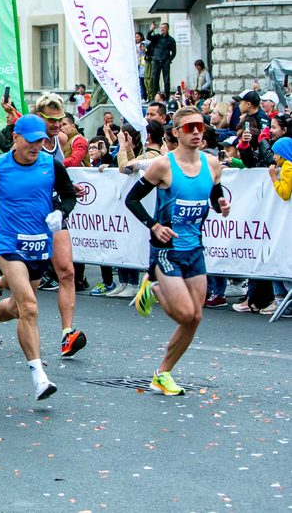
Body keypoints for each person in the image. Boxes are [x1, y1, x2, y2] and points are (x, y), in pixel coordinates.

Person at [0, 115, 79, 401]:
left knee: (15, 308)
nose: (37, 145)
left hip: (39, 245)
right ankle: (39, 376)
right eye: (31, 139)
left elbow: (68, 194)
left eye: (41, 140)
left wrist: (61, 211)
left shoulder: (51, 165)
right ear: (16, 138)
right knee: (29, 307)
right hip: (8, 245)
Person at [124, 106, 230, 395]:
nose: (196, 131)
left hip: (195, 249)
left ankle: (162, 373)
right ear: (175, 133)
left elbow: (215, 190)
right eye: (188, 128)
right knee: (185, 315)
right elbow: (131, 200)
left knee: (195, 318)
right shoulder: (163, 165)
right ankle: (155, 286)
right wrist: (154, 226)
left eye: (199, 126)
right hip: (167, 250)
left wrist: (220, 203)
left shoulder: (212, 163)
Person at [19, 94, 88, 356]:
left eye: (60, 119)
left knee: (67, 271)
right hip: (27, 216)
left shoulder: (60, 141)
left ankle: (67, 334)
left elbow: (59, 176)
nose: (58, 124)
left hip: (55, 214)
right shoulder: (28, 143)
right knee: (24, 280)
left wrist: (69, 189)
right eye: (51, 119)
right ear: (39, 118)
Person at [148, 23, 178, 98]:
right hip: (156, 61)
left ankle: (166, 96)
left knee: (166, 80)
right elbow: (148, 37)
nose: (162, 29)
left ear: (167, 29)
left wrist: (168, 61)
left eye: (164, 27)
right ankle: (156, 96)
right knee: (155, 79)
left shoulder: (171, 40)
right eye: (161, 27)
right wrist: (151, 30)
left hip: (165, 61)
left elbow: (174, 52)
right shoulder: (157, 37)